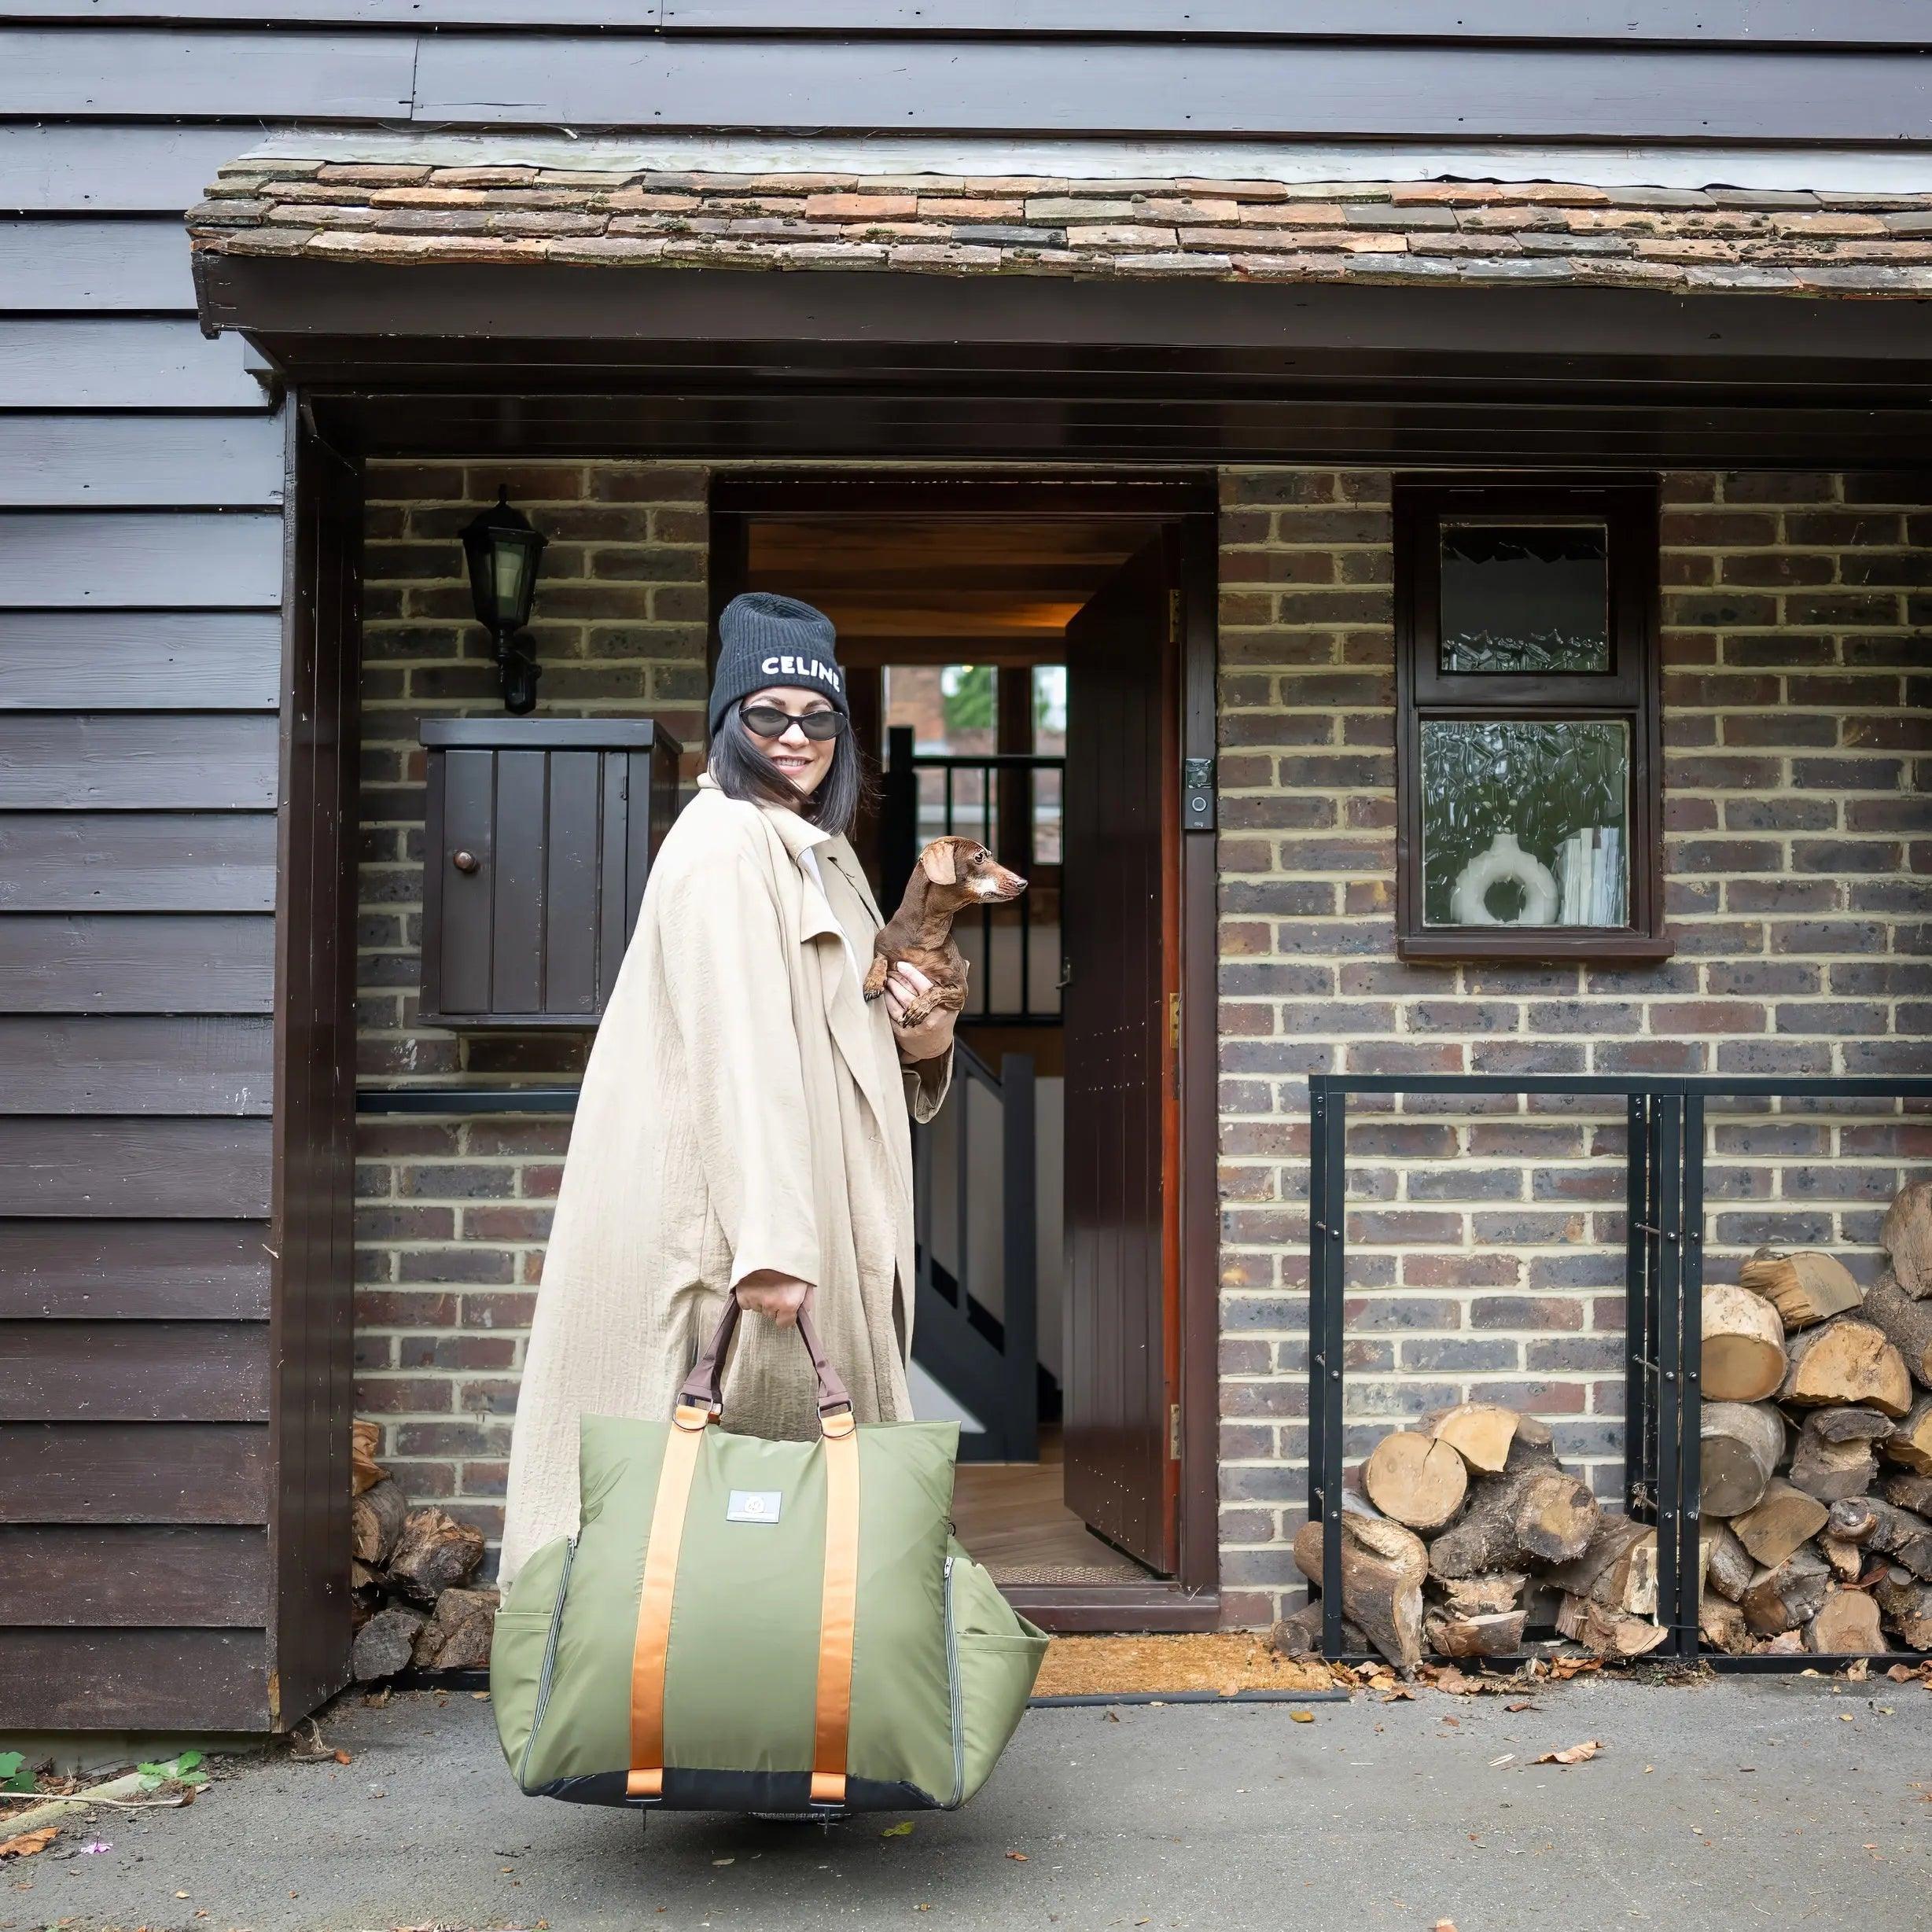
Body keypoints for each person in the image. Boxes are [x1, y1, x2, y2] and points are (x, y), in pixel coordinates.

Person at [499, 592, 954, 1585]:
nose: (797, 738)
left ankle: (787, 1701)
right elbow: (736, 1053)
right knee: (705, 1487)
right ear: (727, 724)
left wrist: (926, 1033)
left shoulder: (818, 854)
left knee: (760, 1503)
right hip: (728, 1229)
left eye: (819, 718)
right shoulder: (722, 846)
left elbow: (838, 1027)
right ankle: (648, 1694)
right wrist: (774, 1244)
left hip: (796, 1209)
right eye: (768, 715)